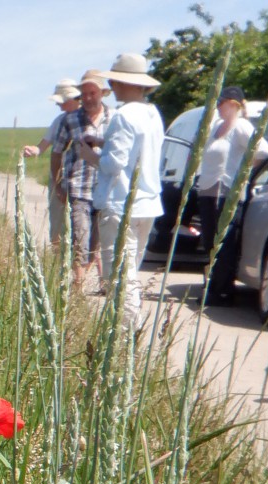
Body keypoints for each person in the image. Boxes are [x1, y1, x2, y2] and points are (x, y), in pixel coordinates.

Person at [80, 53, 165, 331]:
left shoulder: (122, 116)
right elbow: (137, 149)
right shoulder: (152, 113)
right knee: (130, 273)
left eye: (115, 81)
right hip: (148, 204)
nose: (112, 87)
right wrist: (103, 140)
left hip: (120, 205)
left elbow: (114, 163)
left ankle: (127, 332)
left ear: (125, 83)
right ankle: (128, 329)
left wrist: (89, 154)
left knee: (119, 277)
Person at [197, 86, 268, 305]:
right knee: (210, 241)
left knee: (224, 242)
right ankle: (213, 285)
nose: (218, 106)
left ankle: (221, 290)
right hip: (208, 190)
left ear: (233, 104)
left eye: (222, 102)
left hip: (227, 191)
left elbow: (263, 150)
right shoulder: (217, 126)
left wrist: (245, 169)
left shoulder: (241, 126)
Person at [52, 70, 113, 289]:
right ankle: (77, 285)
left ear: (103, 93)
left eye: (92, 92)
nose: (87, 98)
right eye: (83, 93)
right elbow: (57, 151)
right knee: (80, 237)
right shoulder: (70, 120)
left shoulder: (113, 118)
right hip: (78, 187)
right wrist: (58, 183)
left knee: (96, 241)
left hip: (105, 189)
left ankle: (94, 279)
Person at [23, 80, 80, 246]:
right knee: (57, 224)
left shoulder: (89, 118)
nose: (59, 106)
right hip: (58, 179)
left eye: (61, 102)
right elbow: (43, 147)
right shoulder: (59, 121)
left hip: (81, 180)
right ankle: (57, 263)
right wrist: (34, 150)